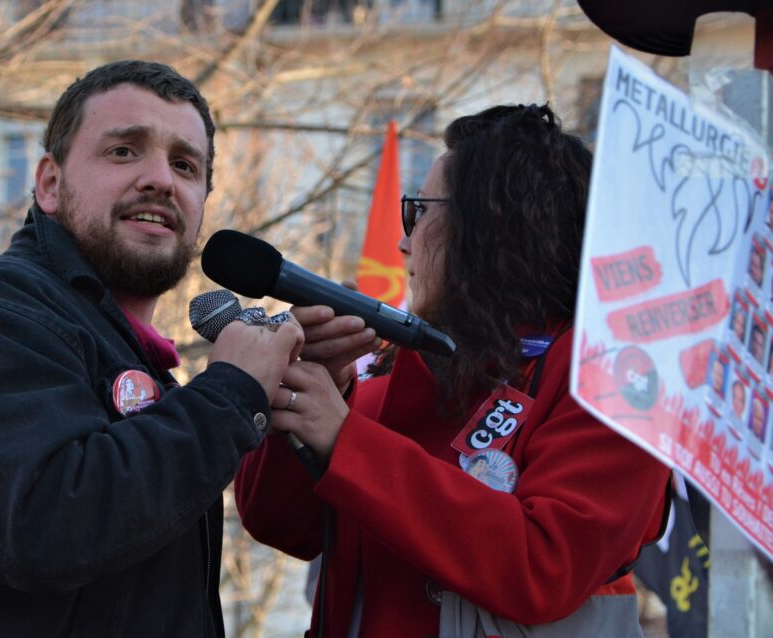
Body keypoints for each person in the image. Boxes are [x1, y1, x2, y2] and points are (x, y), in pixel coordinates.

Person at [0, 60, 304, 637]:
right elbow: (41, 524)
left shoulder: (131, 359)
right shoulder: (0, 316)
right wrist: (228, 395)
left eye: (184, 165)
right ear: (49, 184)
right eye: (124, 151)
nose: (161, 180)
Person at [235, 104, 671, 637]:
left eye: (418, 213)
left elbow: (546, 566)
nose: (403, 242)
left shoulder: (615, 373)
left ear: (492, 224)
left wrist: (345, 441)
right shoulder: (391, 378)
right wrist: (321, 380)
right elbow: (278, 524)